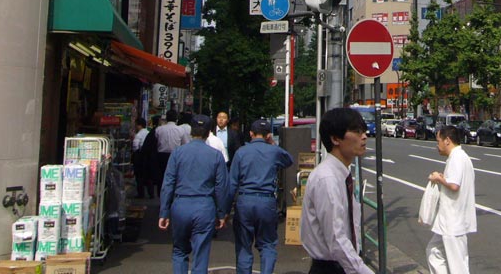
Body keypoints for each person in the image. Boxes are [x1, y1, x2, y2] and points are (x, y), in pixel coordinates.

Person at [300, 107, 374, 274]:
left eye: (364, 131)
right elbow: (336, 237)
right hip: (331, 267)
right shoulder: (328, 179)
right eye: (356, 131)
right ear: (335, 138)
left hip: (340, 265)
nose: (364, 136)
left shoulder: (341, 174)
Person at [159, 114, 230, 274]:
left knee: (179, 250)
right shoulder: (216, 155)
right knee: (201, 254)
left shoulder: (177, 153)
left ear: (191, 131)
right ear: (209, 132)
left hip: (180, 205)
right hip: (205, 206)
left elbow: (168, 183)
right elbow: (221, 187)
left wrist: (164, 212)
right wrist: (221, 213)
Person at [228, 118, 294, 274]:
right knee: (268, 244)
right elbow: (289, 160)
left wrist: (224, 211)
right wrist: (273, 144)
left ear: (251, 133)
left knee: (244, 246)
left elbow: (232, 183)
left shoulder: (241, 152)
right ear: (268, 135)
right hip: (266, 200)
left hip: (245, 199)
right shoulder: (274, 151)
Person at [426, 125, 476, 274]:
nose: (437, 145)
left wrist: (438, 179)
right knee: (433, 251)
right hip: (450, 220)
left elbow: (454, 185)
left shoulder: (457, 158)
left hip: (454, 221)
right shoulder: (460, 157)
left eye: (438, 141)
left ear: (447, 140)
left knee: (457, 265)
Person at [156, 109, 190, 175]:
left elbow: (156, 143)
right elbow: (185, 144)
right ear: (176, 118)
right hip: (175, 155)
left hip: (161, 156)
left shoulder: (159, 129)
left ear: (166, 118)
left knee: (161, 176)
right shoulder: (180, 130)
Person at [132, 117, 151, 199]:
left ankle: (141, 193)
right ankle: (151, 193)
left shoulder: (138, 134)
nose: (135, 127)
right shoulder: (148, 133)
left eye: (136, 125)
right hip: (148, 156)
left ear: (139, 125)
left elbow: (135, 146)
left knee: (139, 175)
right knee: (148, 175)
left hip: (139, 156)